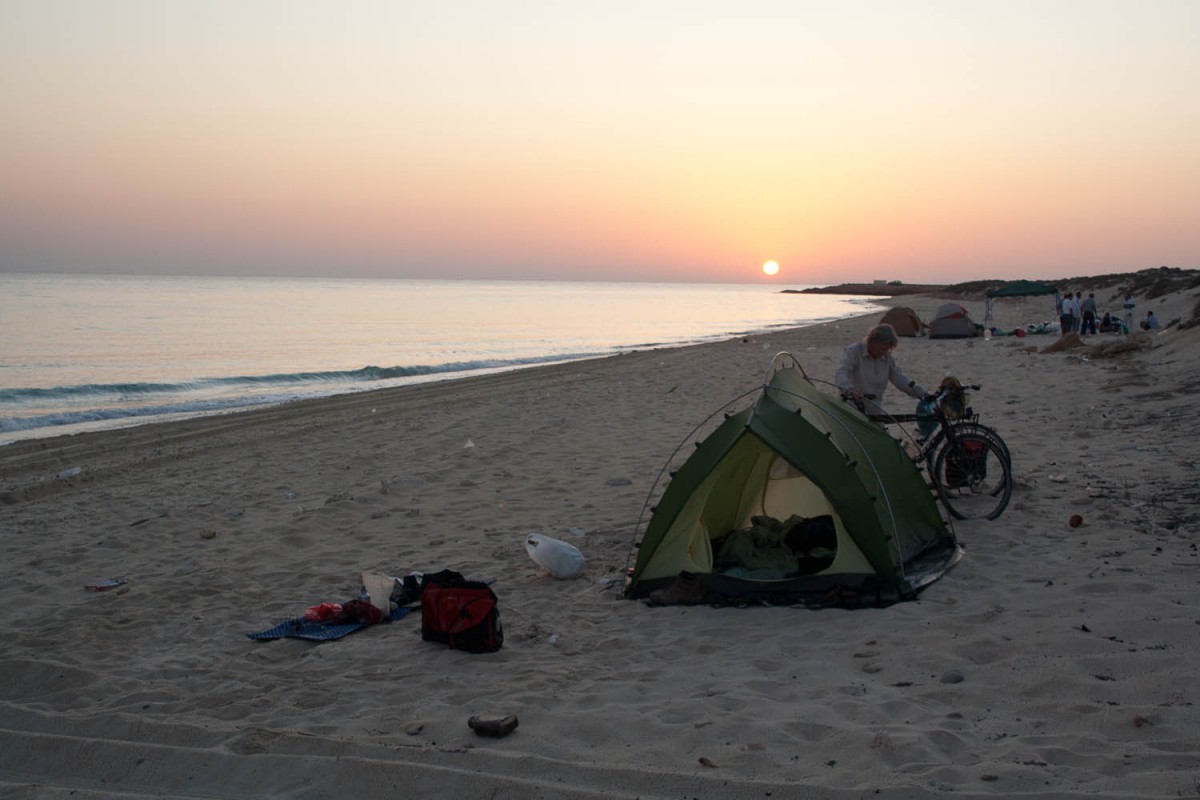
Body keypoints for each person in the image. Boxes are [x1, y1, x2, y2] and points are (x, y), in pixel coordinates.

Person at [835, 323, 927, 416]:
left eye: (887, 350)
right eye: (881, 349)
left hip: (874, 408)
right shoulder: (854, 351)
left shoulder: (887, 358)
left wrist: (922, 394)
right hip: (851, 407)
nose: (883, 353)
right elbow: (842, 372)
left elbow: (899, 379)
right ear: (872, 341)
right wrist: (849, 390)